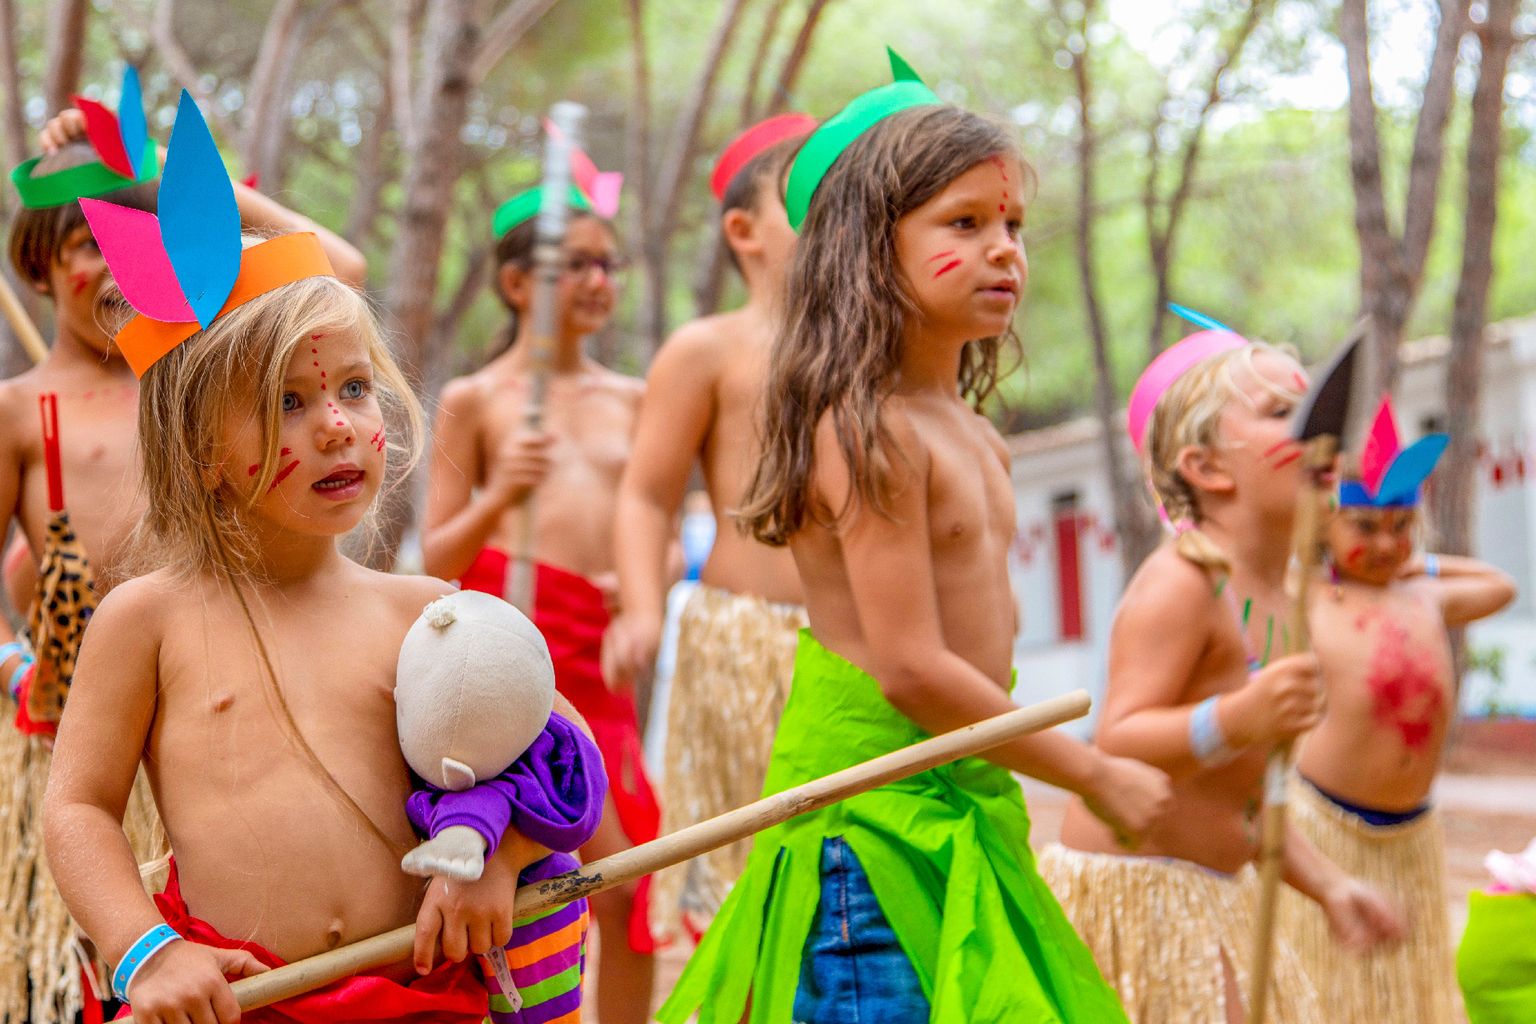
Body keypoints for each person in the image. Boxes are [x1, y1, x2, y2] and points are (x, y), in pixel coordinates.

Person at [657, 52, 1171, 1024]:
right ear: (865, 247)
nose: (1004, 250)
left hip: (956, 795)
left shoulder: (973, 432)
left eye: (1013, 225)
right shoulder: (871, 431)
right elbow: (909, 668)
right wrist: (1091, 770)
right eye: (964, 224)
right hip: (869, 834)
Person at [43, 93, 546, 1024]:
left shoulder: (425, 610)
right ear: (200, 447)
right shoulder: (147, 619)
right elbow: (77, 810)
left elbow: (558, 756)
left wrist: (499, 859)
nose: (339, 426)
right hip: (243, 1002)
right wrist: (146, 951)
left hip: (424, 998)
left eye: (354, 387)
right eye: (287, 403)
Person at [0, 73, 366, 1021]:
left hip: (217, 714)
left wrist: (167, 170)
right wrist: (14, 665)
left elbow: (339, 270)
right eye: (85, 244)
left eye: (133, 236)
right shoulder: (20, 411)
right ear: (37, 266)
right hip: (78, 730)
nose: (110, 265)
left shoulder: (200, 377)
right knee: (66, 988)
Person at [1039, 326, 1405, 1024]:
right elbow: (1118, 740)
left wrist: (1330, 886)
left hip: (1215, 890)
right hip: (1139, 894)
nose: (1320, 432)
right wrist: (1236, 718)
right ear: (1207, 468)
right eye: (1281, 413)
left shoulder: (1287, 593)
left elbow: (1243, 798)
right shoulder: (1184, 582)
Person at [422, 161, 657, 1023]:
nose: (598, 282)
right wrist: (497, 495)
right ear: (518, 284)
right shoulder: (477, 398)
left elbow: (662, 527)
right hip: (510, 658)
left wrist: (641, 586)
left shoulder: (635, 398)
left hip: (601, 652)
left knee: (630, 887)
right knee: (537, 880)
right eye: (575, 265)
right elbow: (436, 553)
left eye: (608, 264)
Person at [608, 112, 815, 943]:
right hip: (743, 642)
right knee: (745, 892)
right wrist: (643, 610)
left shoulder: (883, 345)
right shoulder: (707, 350)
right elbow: (646, 495)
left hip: (862, 648)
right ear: (743, 231)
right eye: (806, 197)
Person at [1278, 396, 1515, 1022]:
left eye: (1401, 526)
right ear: (1325, 526)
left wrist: (1421, 563)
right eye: (1365, 527)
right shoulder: (1309, 598)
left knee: (1409, 996)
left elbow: (1501, 586)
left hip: (1412, 833)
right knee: (1331, 991)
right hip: (1329, 825)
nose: (1386, 543)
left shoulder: (1424, 593)